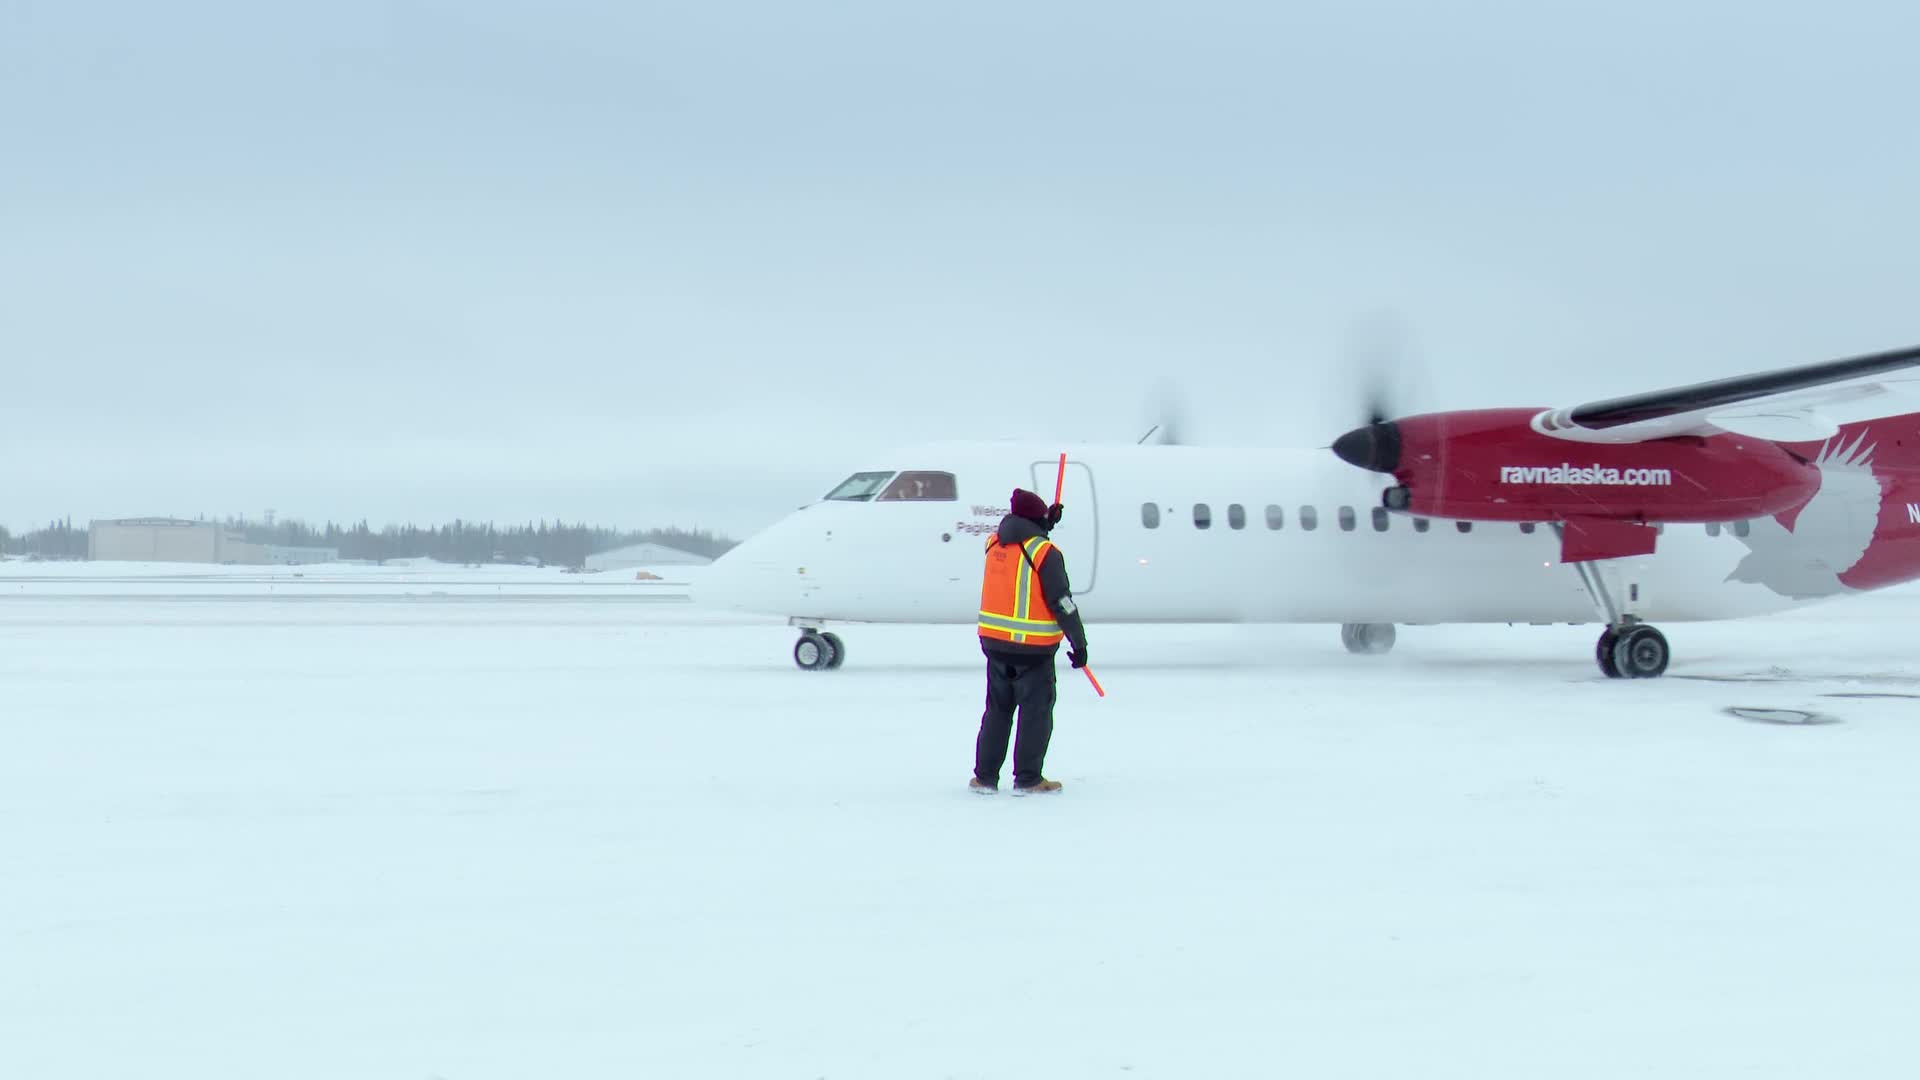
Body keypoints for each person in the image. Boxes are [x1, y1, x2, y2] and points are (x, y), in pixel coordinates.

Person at [971, 487, 1089, 795]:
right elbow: (1061, 602)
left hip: (995, 646)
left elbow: (1025, 535)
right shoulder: (1045, 553)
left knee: (997, 711)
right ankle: (1028, 778)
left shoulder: (994, 543)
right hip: (1033, 652)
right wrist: (1079, 643)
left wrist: (1044, 522)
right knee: (1035, 713)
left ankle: (984, 778)